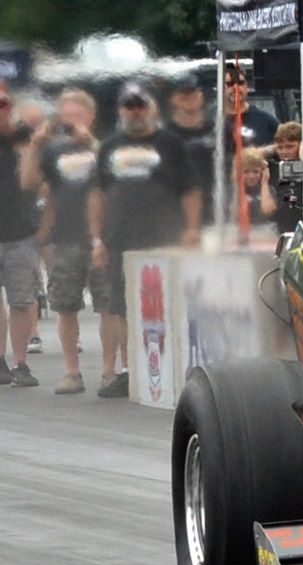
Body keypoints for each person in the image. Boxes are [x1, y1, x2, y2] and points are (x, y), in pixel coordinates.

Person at [88, 82, 201, 398]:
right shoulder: (109, 146)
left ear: (151, 108)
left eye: (140, 105)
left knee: (167, 303)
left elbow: (190, 189)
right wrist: (97, 239)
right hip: (119, 238)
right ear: (121, 110)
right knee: (122, 306)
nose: (135, 111)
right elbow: (97, 194)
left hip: (164, 237)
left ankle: (173, 366)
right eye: (129, 106)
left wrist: (192, 228)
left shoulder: (171, 144)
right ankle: (130, 370)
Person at [18, 88, 99, 393]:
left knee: (112, 307)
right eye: (66, 116)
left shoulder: (103, 146)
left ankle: (114, 370)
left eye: (77, 115)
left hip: (102, 235)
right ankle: (72, 371)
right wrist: (34, 144)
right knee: (66, 305)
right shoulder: (53, 151)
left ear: (90, 116)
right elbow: (29, 183)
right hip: (66, 234)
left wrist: (87, 141)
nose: (71, 121)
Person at [0, 79, 40, 387]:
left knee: (22, 300)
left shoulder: (24, 137)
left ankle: (21, 362)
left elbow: (37, 177)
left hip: (21, 229)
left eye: (3, 104)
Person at [165, 73, 216, 224]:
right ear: (173, 98)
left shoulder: (219, 129)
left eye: (193, 91)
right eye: (183, 93)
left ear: (201, 95)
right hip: (176, 212)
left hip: (216, 210)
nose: (189, 97)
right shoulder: (163, 135)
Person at [223, 65, 279, 154]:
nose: (236, 88)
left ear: (247, 86)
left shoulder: (266, 121)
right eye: (230, 84)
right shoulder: (210, 121)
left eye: (241, 83)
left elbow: (287, 143)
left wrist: (265, 151)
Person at [229, 148, 277, 227]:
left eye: (255, 171)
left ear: (263, 172)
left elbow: (267, 210)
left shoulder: (268, 189)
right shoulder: (231, 190)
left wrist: (264, 183)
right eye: (246, 172)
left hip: (263, 230)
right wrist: (237, 183)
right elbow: (235, 213)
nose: (251, 176)